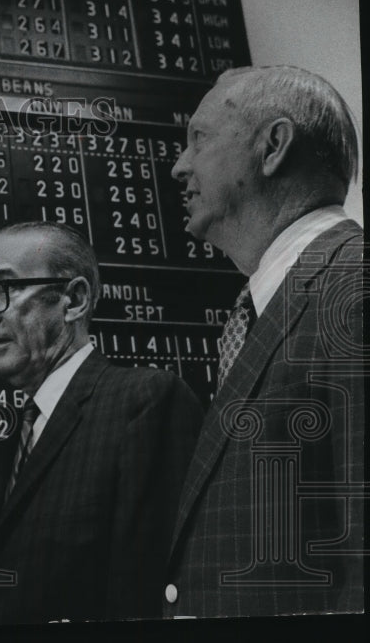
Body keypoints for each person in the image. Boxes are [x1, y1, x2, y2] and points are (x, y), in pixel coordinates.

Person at [165, 65, 364, 617]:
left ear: (273, 146)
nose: (180, 166)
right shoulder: (283, 304)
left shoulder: (355, 287)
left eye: (198, 139)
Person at [0, 222, 204, 624]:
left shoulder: (146, 402)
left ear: (73, 300)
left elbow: (153, 594)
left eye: (2, 290)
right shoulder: (14, 438)